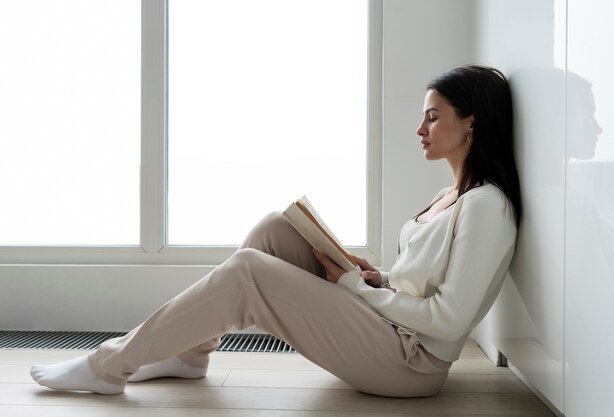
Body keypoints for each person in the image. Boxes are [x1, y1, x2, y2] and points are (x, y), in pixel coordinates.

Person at [30, 65, 521, 398]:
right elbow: (423, 281)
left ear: (472, 125)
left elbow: (450, 320)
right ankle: (188, 354)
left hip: (410, 363)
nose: (420, 128)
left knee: (248, 271)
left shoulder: (486, 206)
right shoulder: (448, 196)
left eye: (433, 117)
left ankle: (106, 367)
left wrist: (351, 287)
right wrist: (380, 279)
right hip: (390, 326)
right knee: (274, 231)